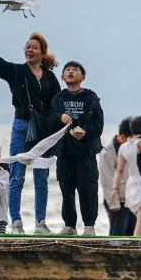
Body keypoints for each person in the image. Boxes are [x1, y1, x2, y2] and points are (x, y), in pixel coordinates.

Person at [0, 34, 60, 235]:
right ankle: (16, 223)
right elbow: (0, 65)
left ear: (42, 52)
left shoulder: (50, 77)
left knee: (41, 178)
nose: (29, 50)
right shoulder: (17, 71)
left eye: (34, 47)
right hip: (21, 126)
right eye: (27, 47)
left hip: (43, 130)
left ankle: (40, 224)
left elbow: (57, 103)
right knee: (17, 176)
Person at [48, 60, 104, 237]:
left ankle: (89, 227)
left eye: (75, 69)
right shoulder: (58, 99)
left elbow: (99, 125)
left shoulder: (91, 98)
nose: (71, 71)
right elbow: (49, 122)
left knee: (88, 190)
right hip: (65, 152)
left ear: (83, 77)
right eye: (67, 69)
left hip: (86, 153)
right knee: (66, 190)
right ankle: (69, 226)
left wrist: (85, 132)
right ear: (62, 76)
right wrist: (59, 118)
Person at [109, 116, 141, 235]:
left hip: (132, 187)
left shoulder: (124, 147)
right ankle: (139, 243)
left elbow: (119, 170)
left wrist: (114, 188)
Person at [100, 118, 136, 236]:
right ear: (122, 137)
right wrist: (114, 204)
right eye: (131, 140)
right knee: (117, 236)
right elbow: (107, 181)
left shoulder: (129, 150)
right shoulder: (107, 153)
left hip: (130, 200)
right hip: (116, 201)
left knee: (132, 235)